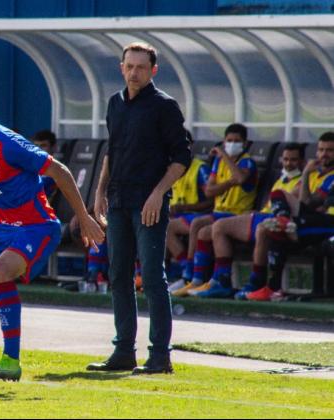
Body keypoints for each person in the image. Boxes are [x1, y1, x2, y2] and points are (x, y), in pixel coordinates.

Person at [0, 81, 104, 391]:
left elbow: (60, 171)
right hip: (4, 230)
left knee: (0, 270)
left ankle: (11, 361)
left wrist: (84, 218)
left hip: (37, 226)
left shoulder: (8, 143)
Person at [86, 42, 191, 376]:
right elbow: (111, 151)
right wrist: (100, 191)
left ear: (153, 71)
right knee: (118, 276)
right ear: (121, 67)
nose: (134, 72)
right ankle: (123, 352)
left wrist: (158, 193)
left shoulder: (165, 106)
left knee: (152, 278)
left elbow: (181, 158)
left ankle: (160, 356)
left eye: (141, 67)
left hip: (148, 204)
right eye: (129, 66)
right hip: (117, 201)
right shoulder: (115, 103)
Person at [200, 143, 304, 299]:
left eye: (294, 160)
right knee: (218, 227)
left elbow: (297, 205)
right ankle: (221, 281)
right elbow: (269, 205)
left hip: (282, 222)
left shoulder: (302, 180)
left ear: (302, 162)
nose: (289, 163)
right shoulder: (281, 179)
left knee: (259, 229)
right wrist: (257, 211)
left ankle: (256, 282)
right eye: (286, 159)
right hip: (263, 216)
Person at [172, 123, 258, 297]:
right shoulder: (218, 162)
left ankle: (217, 280)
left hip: (238, 215)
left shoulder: (247, 162)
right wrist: (229, 182)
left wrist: (224, 156)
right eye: (229, 140)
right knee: (199, 227)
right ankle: (193, 277)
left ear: (245, 143)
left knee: (207, 229)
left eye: (237, 141)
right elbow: (209, 191)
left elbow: (240, 178)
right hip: (219, 212)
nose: (232, 144)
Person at [246, 132, 334, 301]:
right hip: (312, 217)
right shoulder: (314, 172)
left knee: (275, 231)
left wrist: (306, 175)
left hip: (328, 221)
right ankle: (284, 220)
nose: (324, 154)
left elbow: (310, 203)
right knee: (279, 195)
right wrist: (307, 174)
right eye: (321, 149)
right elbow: (303, 201)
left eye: (330, 150)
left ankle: (272, 287)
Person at [165, 130, 213, 290]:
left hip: (198, 215)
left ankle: (188, 272)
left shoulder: (201, 169)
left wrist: (186, 207)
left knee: (166, 226)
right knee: (153, 222)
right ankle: (149, 274)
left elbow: (211, 201)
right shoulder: (169, 169)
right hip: (178, 216)